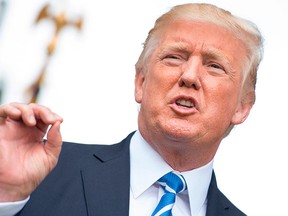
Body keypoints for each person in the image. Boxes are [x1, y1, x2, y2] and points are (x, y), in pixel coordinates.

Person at [0, 3, 263, 216]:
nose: (189, 76)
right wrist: (7, 195)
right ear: (140, 82)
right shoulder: (44, 174)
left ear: (242, 107)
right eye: (174, 57)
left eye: (214, 66)